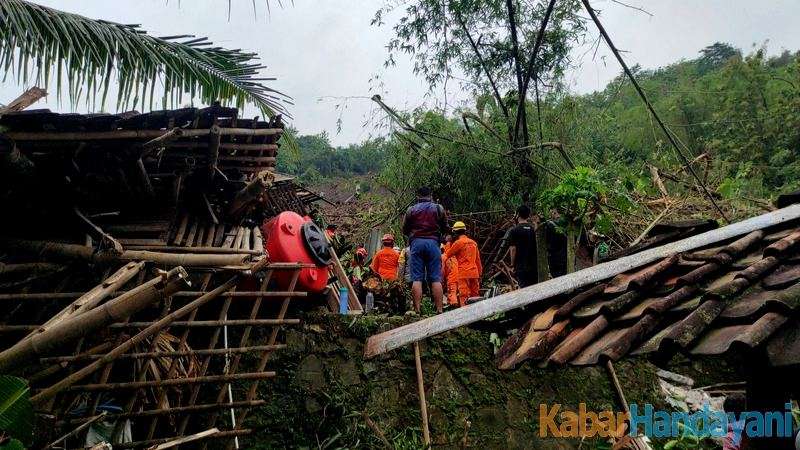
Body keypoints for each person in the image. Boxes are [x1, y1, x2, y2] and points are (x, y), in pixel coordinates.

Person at [402, 186, 447, 313]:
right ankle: (439, 309)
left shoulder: (411, 210)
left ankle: (417, 309)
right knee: (436, 278)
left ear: (417, 196)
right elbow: (445, 227)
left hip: (416, 244)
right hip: (433, 244)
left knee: (417, 279)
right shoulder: (438, 208)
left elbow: (405, 229)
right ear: (430, 195)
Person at [444, 221, 482, 306]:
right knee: (475, 295)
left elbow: (448, 254)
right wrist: (480, 273)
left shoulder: (458, 243)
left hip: (463, 273)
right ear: (464, 231)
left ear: (455, 232)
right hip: (474, 272)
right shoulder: (473, 243)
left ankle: (465, 313)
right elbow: (478, 260)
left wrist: (448, 243)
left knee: (464, 295)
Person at [505, 204, 539, 288]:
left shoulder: (514, 230)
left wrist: (512, 264)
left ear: (518, 215)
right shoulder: (534, 229)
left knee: (524, 288)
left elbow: (513, 249)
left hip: (521, 266)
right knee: (534, 288)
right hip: (534, 266)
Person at [441, 236, 459, 307]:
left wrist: (441, 282)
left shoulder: (444, 257)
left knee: (452, 294)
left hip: (452, 278)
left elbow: (442, 271)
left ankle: (453, 311)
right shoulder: (454, 255)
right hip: (461, 276)